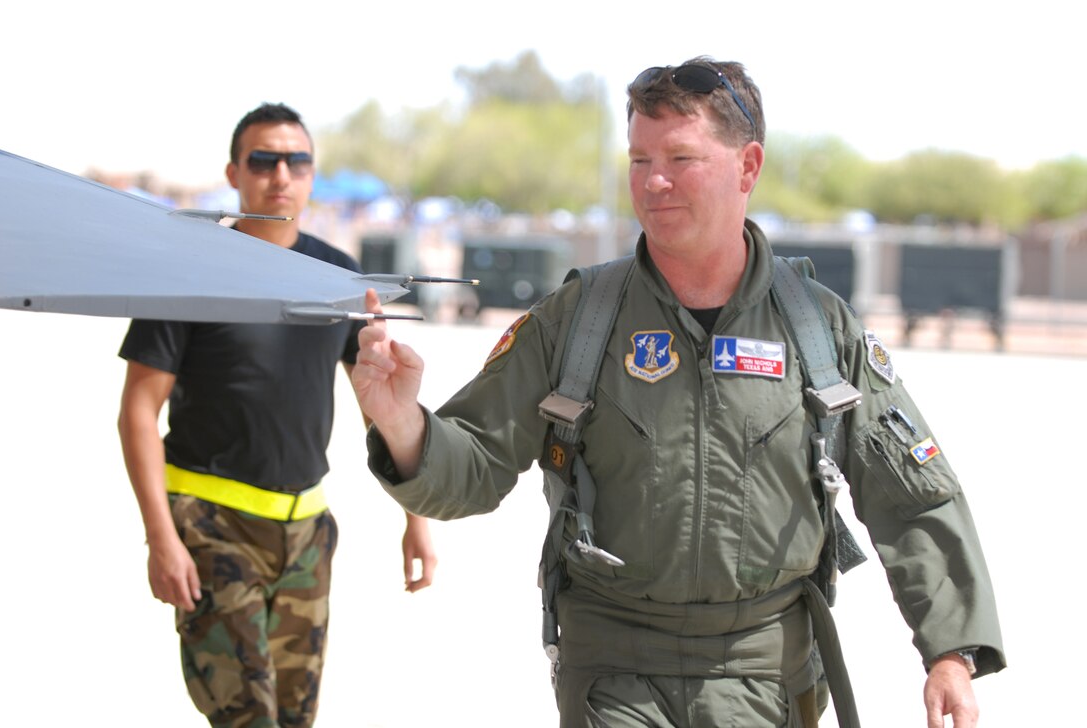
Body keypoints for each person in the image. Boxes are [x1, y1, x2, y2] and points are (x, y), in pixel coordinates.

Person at [349, 57, 1005, 728]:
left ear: (747, 167)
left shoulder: (818, 327)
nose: (654, 181)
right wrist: (404, 425)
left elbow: (914, 495)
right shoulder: (576, 319)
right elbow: (476, 463)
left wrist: (950, 651)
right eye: (638, 160)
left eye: (680, 158)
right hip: (616, 673)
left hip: (769, 677)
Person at [117, 102, 437, 728]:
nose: (280, 175)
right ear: (234, 173)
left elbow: (381, 407)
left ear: (313, 174)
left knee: (294, 719)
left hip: (307, 537)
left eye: (296, 161)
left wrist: (416, 516)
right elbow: (137, 411)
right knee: (248, 719)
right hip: (212, 529)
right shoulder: (186, 270)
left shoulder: (337, 275)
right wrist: (161, 536)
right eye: (262, 160)